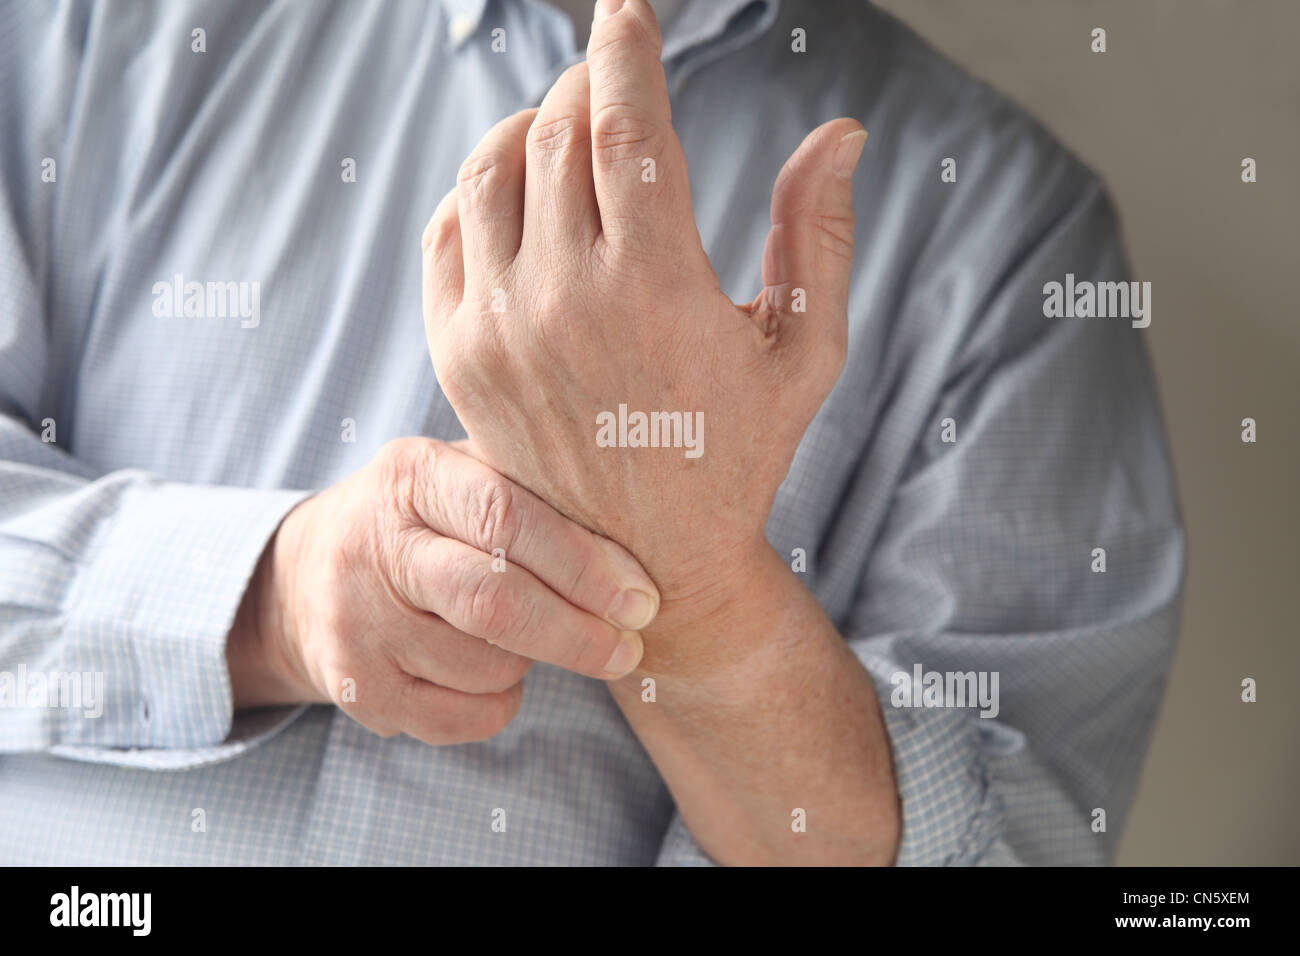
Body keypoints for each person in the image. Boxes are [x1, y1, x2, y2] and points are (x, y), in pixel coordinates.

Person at [0, 0, 1184, 865]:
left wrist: (706, 609)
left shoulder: (1015, 241)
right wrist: (276, 598)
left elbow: (1013, 845)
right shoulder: (88, 28)